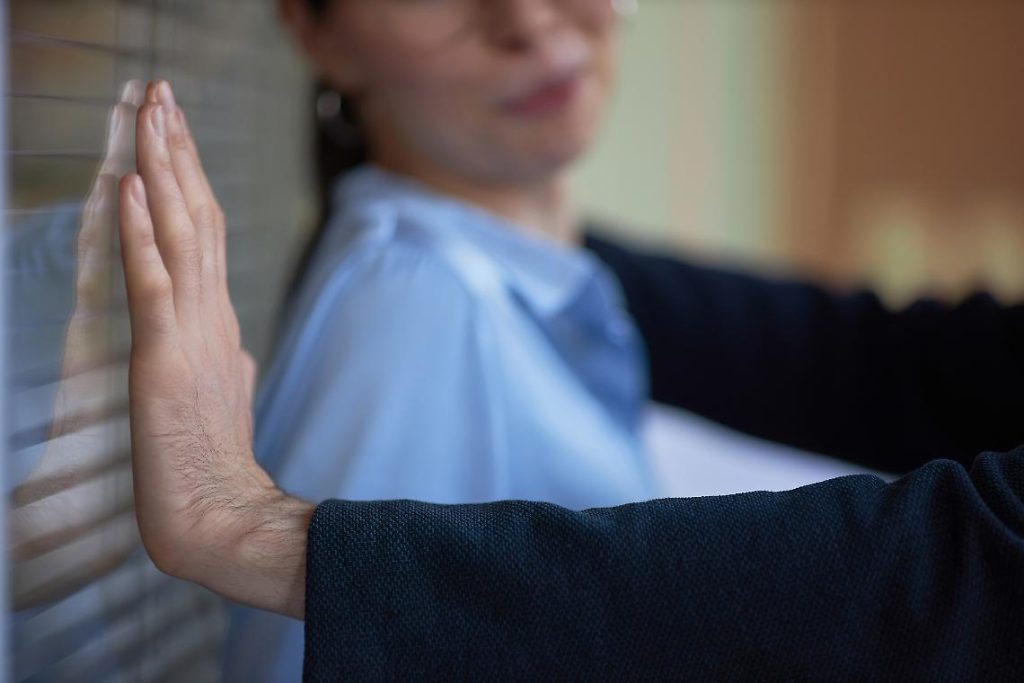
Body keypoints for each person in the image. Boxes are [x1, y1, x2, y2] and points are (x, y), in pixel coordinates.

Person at [118, 81, 1023, 679]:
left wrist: (262, 537)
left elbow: (961, 573)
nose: (528, 16)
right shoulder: (413, 300)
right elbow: (887, 367)